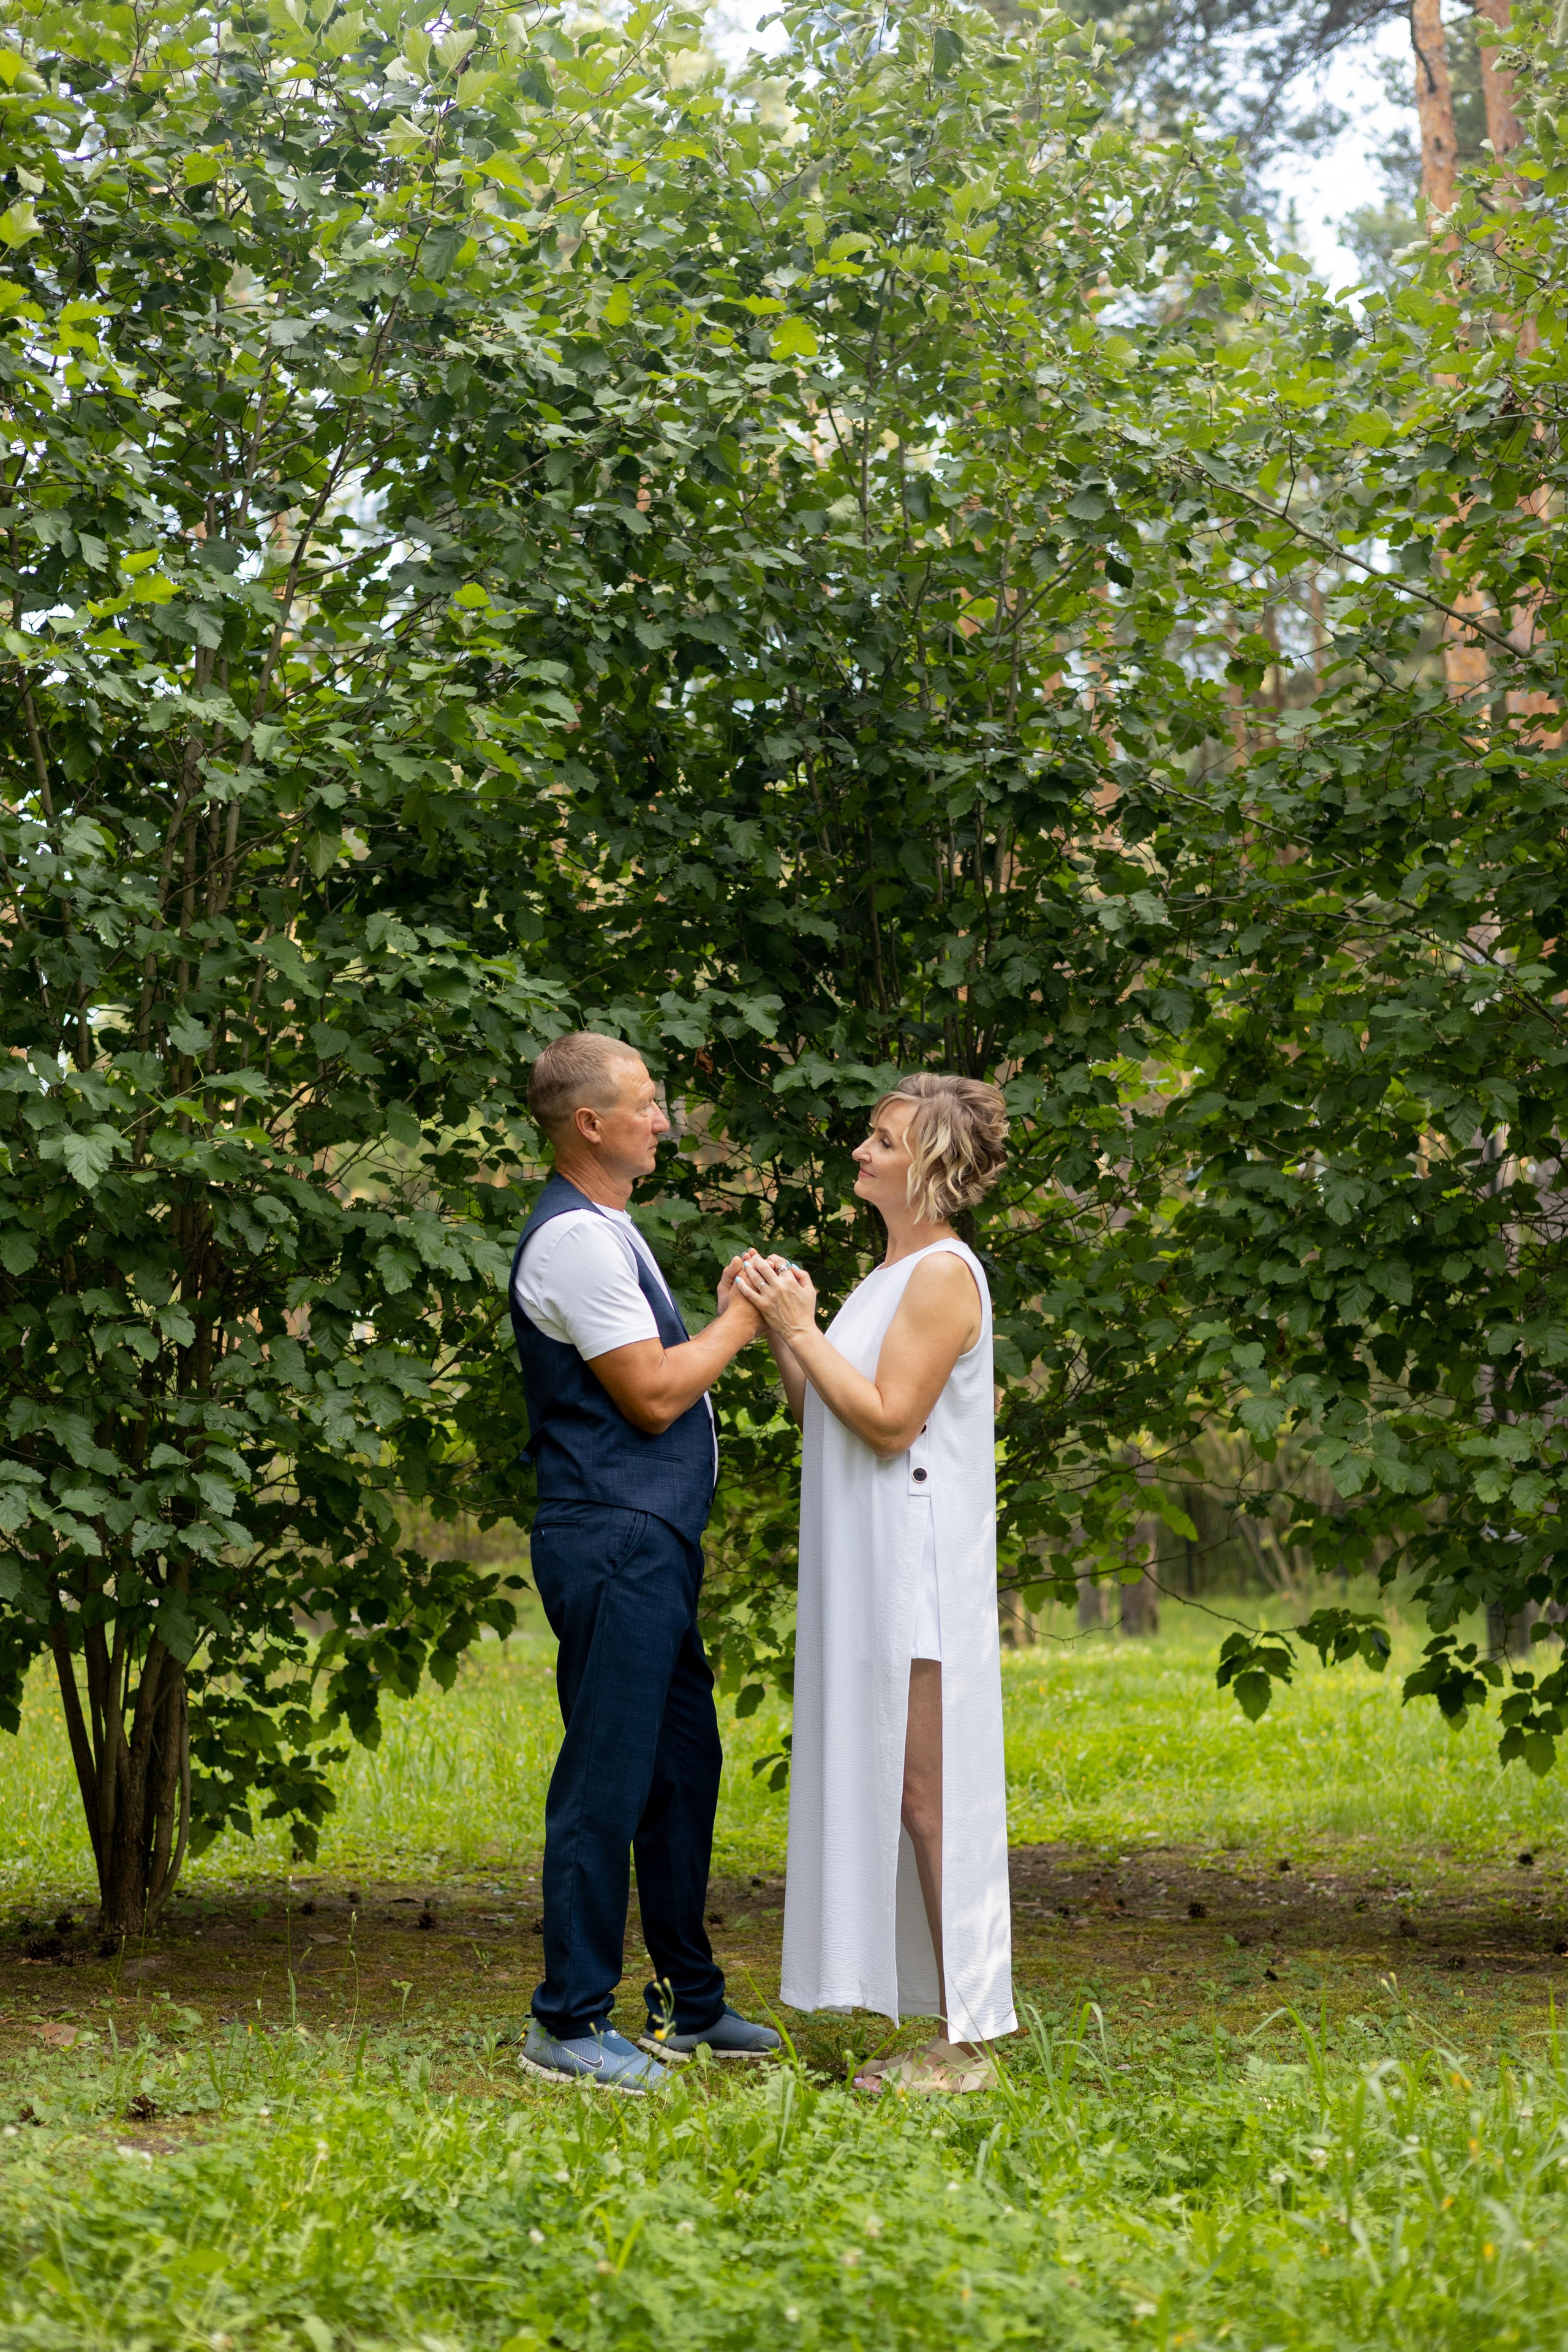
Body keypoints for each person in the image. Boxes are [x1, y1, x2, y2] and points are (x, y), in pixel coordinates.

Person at [510, 1031, 782, 2090]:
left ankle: (690, 2007)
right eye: (647, 1103)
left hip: (651, 1540)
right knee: (607, 1779)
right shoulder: (575, 1241)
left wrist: (719, 1317)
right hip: (613, 1535)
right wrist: (744, 1318)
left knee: (681, 1769)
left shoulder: (611, 1230)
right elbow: (657, 1393)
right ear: (591, 1123)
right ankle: (567, 2024)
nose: (664, 1118)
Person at [735, 1073, 1014, 2094]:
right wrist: (782, 1324)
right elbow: (830, 1413)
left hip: (916, 1565)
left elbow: (894, 1420)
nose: (862, 1150)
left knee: (932, 1798)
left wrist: (805, 1329)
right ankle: (936, 2020)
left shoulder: (944, 1273)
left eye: (884, 1140)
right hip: (866, 1560)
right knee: (900, 1792)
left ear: (931, 1166)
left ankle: (969, 2042)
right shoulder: (886, 1274)